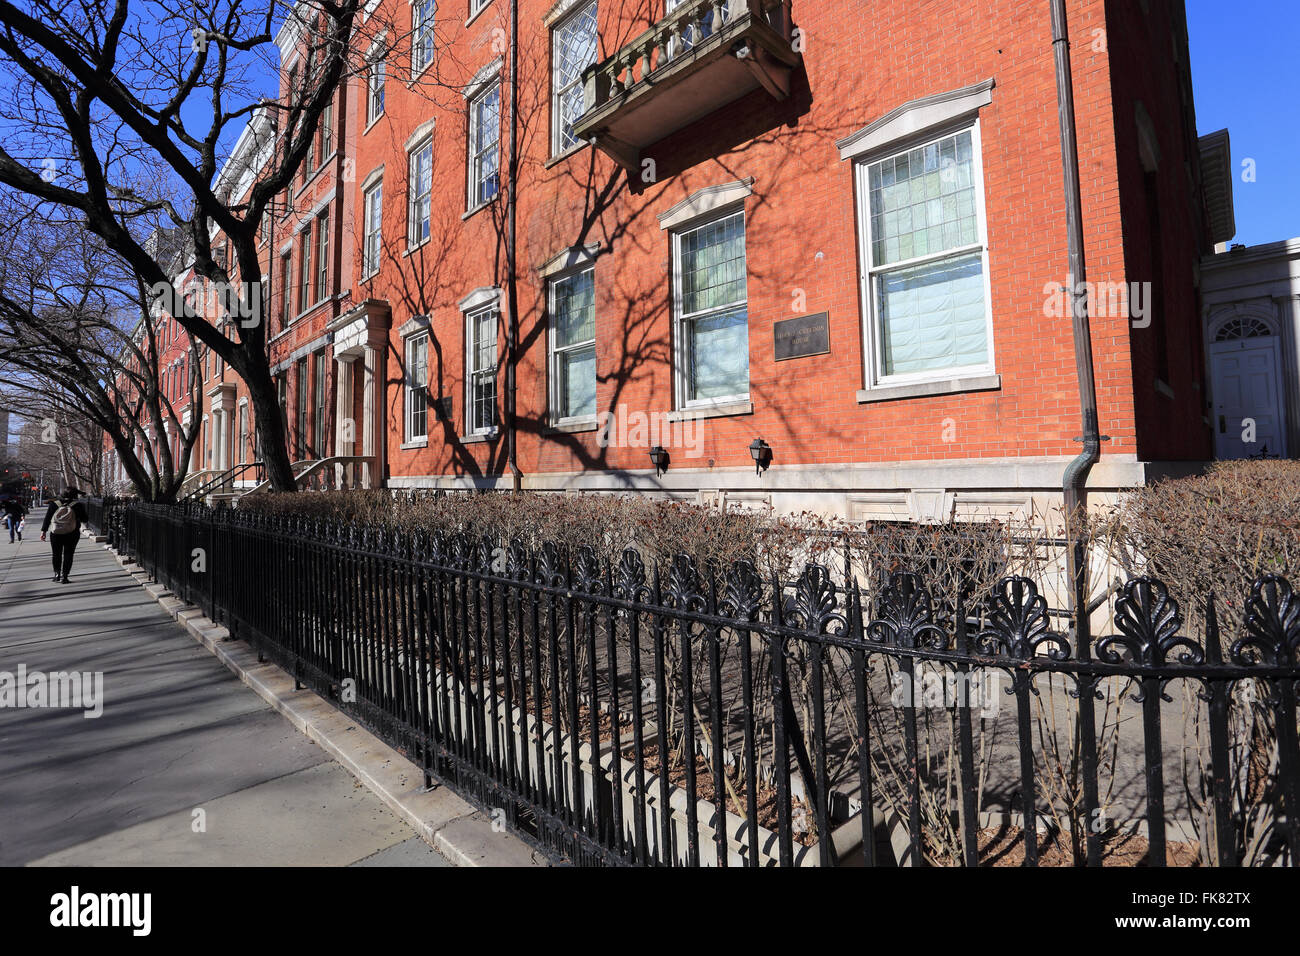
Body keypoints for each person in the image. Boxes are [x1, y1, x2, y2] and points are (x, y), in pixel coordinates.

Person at [40, 487, 88, 583]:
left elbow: (48, 518)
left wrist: (43, 531)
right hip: (72, 533)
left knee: (56, 554)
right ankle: (65, 576)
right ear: (75, 495)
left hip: (56, 533)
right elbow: (85, 519)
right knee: (69, 554)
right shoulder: (78, 505)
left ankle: (57, 573)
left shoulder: (54, 504)